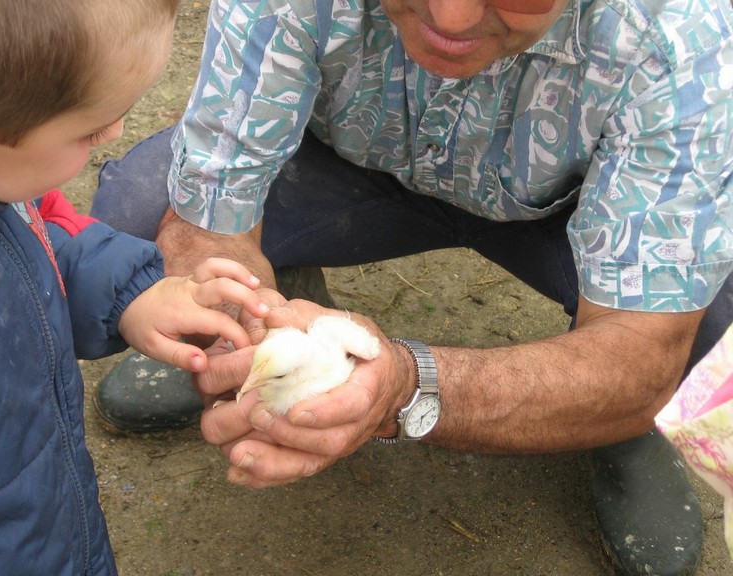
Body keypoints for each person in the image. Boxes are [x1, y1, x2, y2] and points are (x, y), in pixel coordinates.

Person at [91, 0, 733, 574]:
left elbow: (643, 345)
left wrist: (408, 385)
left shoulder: (683, 32)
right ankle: (268, 311)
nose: (449, 17)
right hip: (353, 166)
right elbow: (209, 213)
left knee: (699, 337)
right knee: (142, 221)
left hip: (562, 210)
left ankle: (615, 428)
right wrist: (250, 325)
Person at [0, 1, 270, 574]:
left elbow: (39, 241)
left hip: (49, 525)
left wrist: (132, 296)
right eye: (90, 128)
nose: (117, 132)